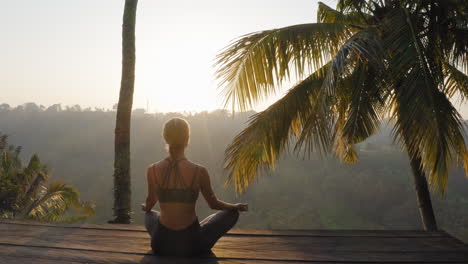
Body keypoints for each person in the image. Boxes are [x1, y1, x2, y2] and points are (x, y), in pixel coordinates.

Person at [142, 117, 248, 257]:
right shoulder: (199, 171)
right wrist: (235, 206)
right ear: (187, 140)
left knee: (150, 215)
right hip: (192, 245)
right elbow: (214, 204)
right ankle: (200, 229)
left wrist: (146, 208)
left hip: (161, 244)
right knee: (231, 213)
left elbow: (150, 203)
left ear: (165, 138)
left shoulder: (153, 169)